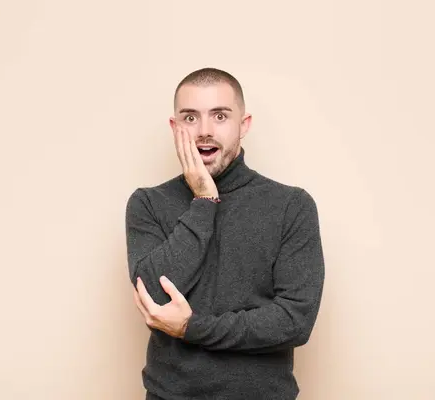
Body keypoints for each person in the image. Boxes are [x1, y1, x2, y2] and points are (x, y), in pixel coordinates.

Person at [125, 67, 325, 400]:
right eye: (190, 118)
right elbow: (156, 301)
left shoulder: (292, 205)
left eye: (220, 116)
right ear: (175, 128)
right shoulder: (148, 203)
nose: (204, 131)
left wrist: (192, 327)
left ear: (243, 125)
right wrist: (204, 200)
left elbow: (294, 321)